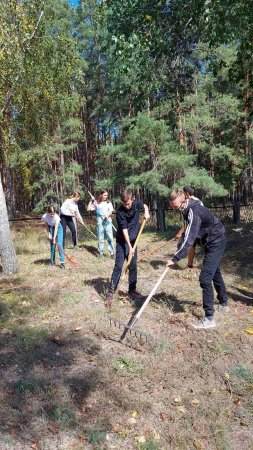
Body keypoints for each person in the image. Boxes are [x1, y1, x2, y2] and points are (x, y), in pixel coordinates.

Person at [167, 188, 228, 329]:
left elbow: (189, 239)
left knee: (205, 278)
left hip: (216, 241)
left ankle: (209, 318)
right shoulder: (187, 208)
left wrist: (175, 258)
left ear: (183, 201)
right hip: (209, 241)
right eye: (172, 206)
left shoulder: (194, 211)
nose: (174, 209)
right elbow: (188, 231)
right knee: (215, 272)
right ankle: (224, 303)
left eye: (175, 206)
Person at [105, 190, 150, 307]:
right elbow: (124, 230)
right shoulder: (120, 212)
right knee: (119, 266)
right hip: (122, 242)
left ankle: (132, 291)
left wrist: (146, 211)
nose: (127, 206)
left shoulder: (136, 204)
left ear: (132, 199)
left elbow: (144, 205)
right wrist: (130, 247)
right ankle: (111, 292)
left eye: (128, 203)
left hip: (134, 240)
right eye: (124, 204)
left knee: (133, 266)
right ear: (122, 202)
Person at [175, 186, 203, 268]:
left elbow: (190, 221)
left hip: (197, 228)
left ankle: (186, 263)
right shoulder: (197, 201)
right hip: (193, 227)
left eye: (183, 193)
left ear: (186, 193)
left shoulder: (192, 203)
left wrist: (180, 233)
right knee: (191, 245)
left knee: (190, 244)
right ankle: (189, 265)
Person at [87, 190, 115, 258]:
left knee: (110, 237)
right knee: (100, 237)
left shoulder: (108, 202)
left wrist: (107, 215)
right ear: (101, 195)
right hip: (100, 221)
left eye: (107, 195)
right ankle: (101, 252)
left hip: (107, 221)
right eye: (105, 195)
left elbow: (111, 211)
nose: (106, 196)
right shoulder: (97, 203)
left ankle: (112, 253)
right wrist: (91, 200)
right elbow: (88, 209)